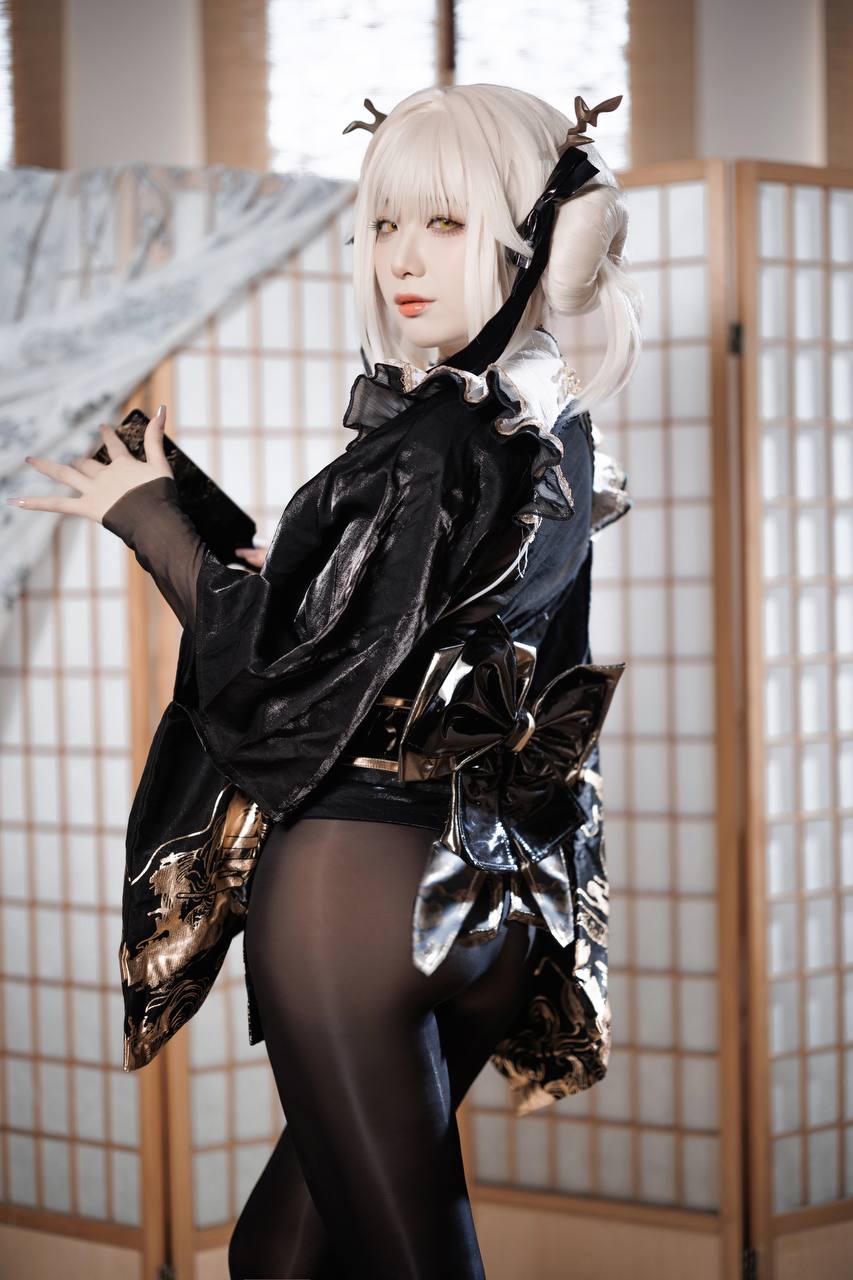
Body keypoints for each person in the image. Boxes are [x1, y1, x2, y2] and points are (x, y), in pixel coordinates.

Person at [6, 83, 640, 1280]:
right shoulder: (552, 421)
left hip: (356, 896)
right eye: (384, 222)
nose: (402, 259)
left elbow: (288, 690)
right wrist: (234, 539)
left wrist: (150, 520)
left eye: (445, 223)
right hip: (492, 897)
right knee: (276, 1253)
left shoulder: (432, 433)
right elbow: (412, 623)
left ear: (531, 234)